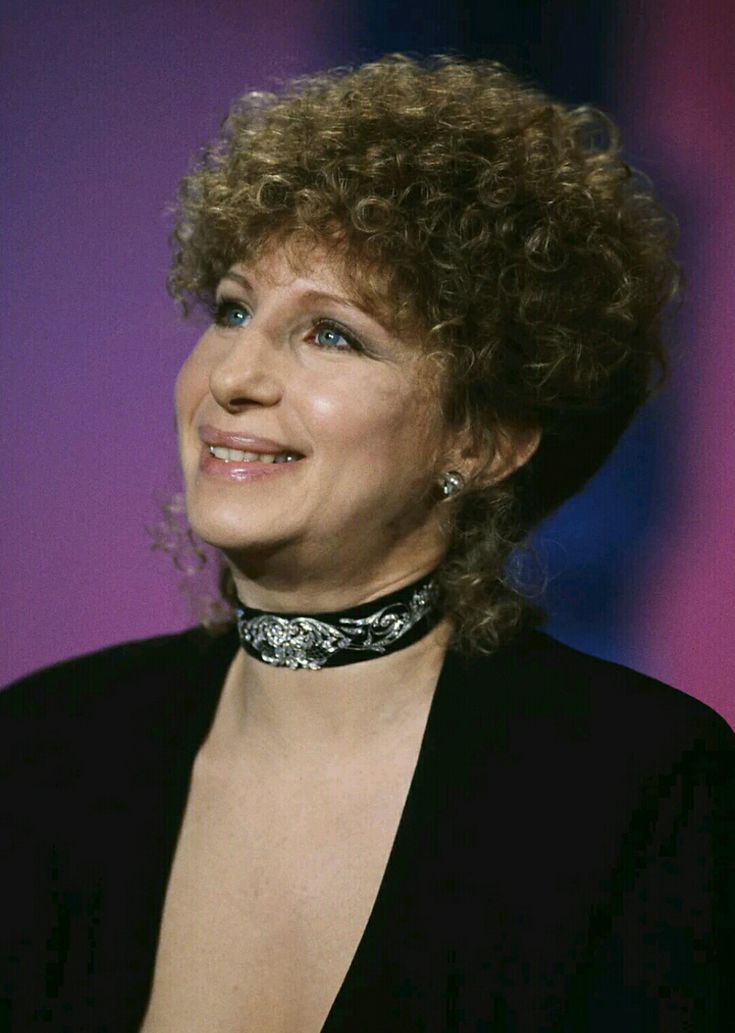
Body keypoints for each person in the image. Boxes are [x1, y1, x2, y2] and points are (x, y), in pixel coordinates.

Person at [1, 54, 732, 1033]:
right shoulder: (42, 749)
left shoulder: (644, 791)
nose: (233, 377)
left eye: (331, 335)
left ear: (483, 438)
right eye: (231, 309)